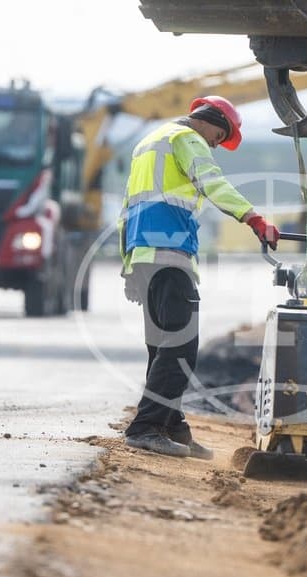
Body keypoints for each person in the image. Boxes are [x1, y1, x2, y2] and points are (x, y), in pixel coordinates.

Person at [117, 96, 279, 459]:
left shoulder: (149, 143)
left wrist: (128, 264)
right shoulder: (186, 139)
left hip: (145, 257)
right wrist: (253, 218)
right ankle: (144, 428)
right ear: (209, 121)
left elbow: (127, 209)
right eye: (218, 137)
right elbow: (213, 182)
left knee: (162, 348)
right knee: (181, 350)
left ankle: (172, 426)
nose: (215, 146)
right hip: (170, 256)